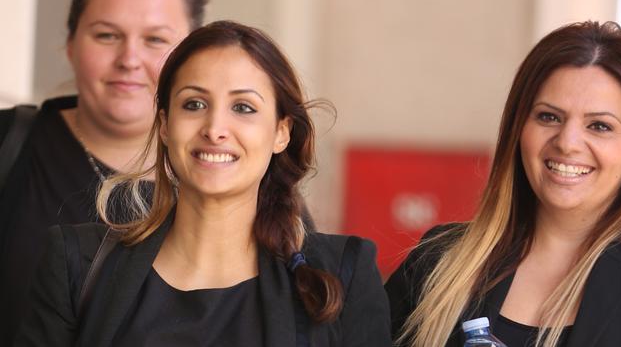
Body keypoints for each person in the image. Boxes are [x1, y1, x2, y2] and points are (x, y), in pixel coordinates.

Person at [15, 20, 391, 346]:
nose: (214, 129)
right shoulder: (74, 264)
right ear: (164, 125)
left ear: (281, 133)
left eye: (243, 108)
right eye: (194, 104)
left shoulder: (344, 272)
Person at [385, 21, 621, 347]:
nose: (567, 143)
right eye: (548, 117)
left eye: (599, 126)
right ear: (518, 128)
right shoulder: (438, 261)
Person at [0, 0, 209, 343]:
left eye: (155, 40)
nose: (129, 59)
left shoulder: (237, 179)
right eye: (107, 35)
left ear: (193, 56)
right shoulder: (8, 143)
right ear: (71, 43)